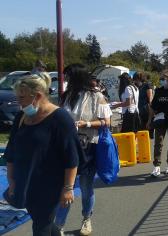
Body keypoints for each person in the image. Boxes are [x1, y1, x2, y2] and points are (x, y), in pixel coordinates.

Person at [5, 72, 82, 236]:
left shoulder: (60, 119)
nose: (19, 102)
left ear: (38, 96)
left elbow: (72, 157)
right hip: (26, 183)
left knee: (41, 227)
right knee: (43, 222)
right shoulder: (21, 117)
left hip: (50, 186)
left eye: (22, 98)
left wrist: (68, 188)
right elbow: (11, 151)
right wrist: (11, 180)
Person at [55, 63, 111, 235]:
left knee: (86, 188)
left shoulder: (96, 97)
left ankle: (86, 218)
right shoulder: (66, 96)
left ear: (78, 77)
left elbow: (106, 122)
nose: (67, 80)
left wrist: (85, 123)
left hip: (87, 147)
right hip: (66, 147)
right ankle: (59, 225)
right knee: (66, 187)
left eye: (70, 77)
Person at [147, 70, 168, 177]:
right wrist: (149, 120)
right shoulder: (159, 91)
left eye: (163, 78)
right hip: (160, 121)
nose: (161, 81)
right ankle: (157, 166)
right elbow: (152, 107)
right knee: (158, 143)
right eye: (161, 78)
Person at [136, 72, 154, 137]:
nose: (136, 81)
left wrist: (150, 118)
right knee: (141, 134)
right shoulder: (139, 86)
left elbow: (150, 101)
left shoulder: (147, 85)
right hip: (140, 112)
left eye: (136, 79)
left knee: (147, 135)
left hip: (146, 112)